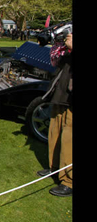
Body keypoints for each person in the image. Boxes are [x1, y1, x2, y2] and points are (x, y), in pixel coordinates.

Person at [37, 33, 72, 197]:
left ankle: (68, 181)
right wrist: (60, 43)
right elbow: (55, 60)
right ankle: (55, 168)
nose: (69, 35)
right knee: (55, 134)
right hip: (61, 95)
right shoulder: (67, 50)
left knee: (69, 141)